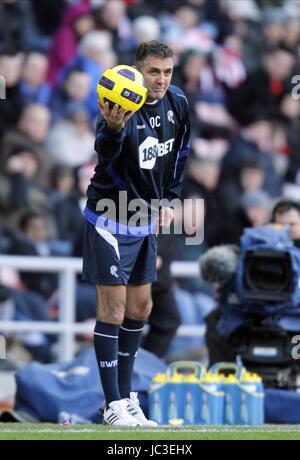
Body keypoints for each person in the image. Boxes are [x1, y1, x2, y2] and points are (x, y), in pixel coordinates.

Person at [82, 41, 190, 426]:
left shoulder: (178, 103)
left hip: (146, 221)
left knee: (141, 309)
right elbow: (104, 155)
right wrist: (112, 131)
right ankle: (112, 404)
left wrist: (169, 201)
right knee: (111, 310)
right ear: (137, 71)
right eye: (153, 72)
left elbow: (179, 155)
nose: (160, 80)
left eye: (166, 72)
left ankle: (128, 400)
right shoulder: (118, 105)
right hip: (110, 218)